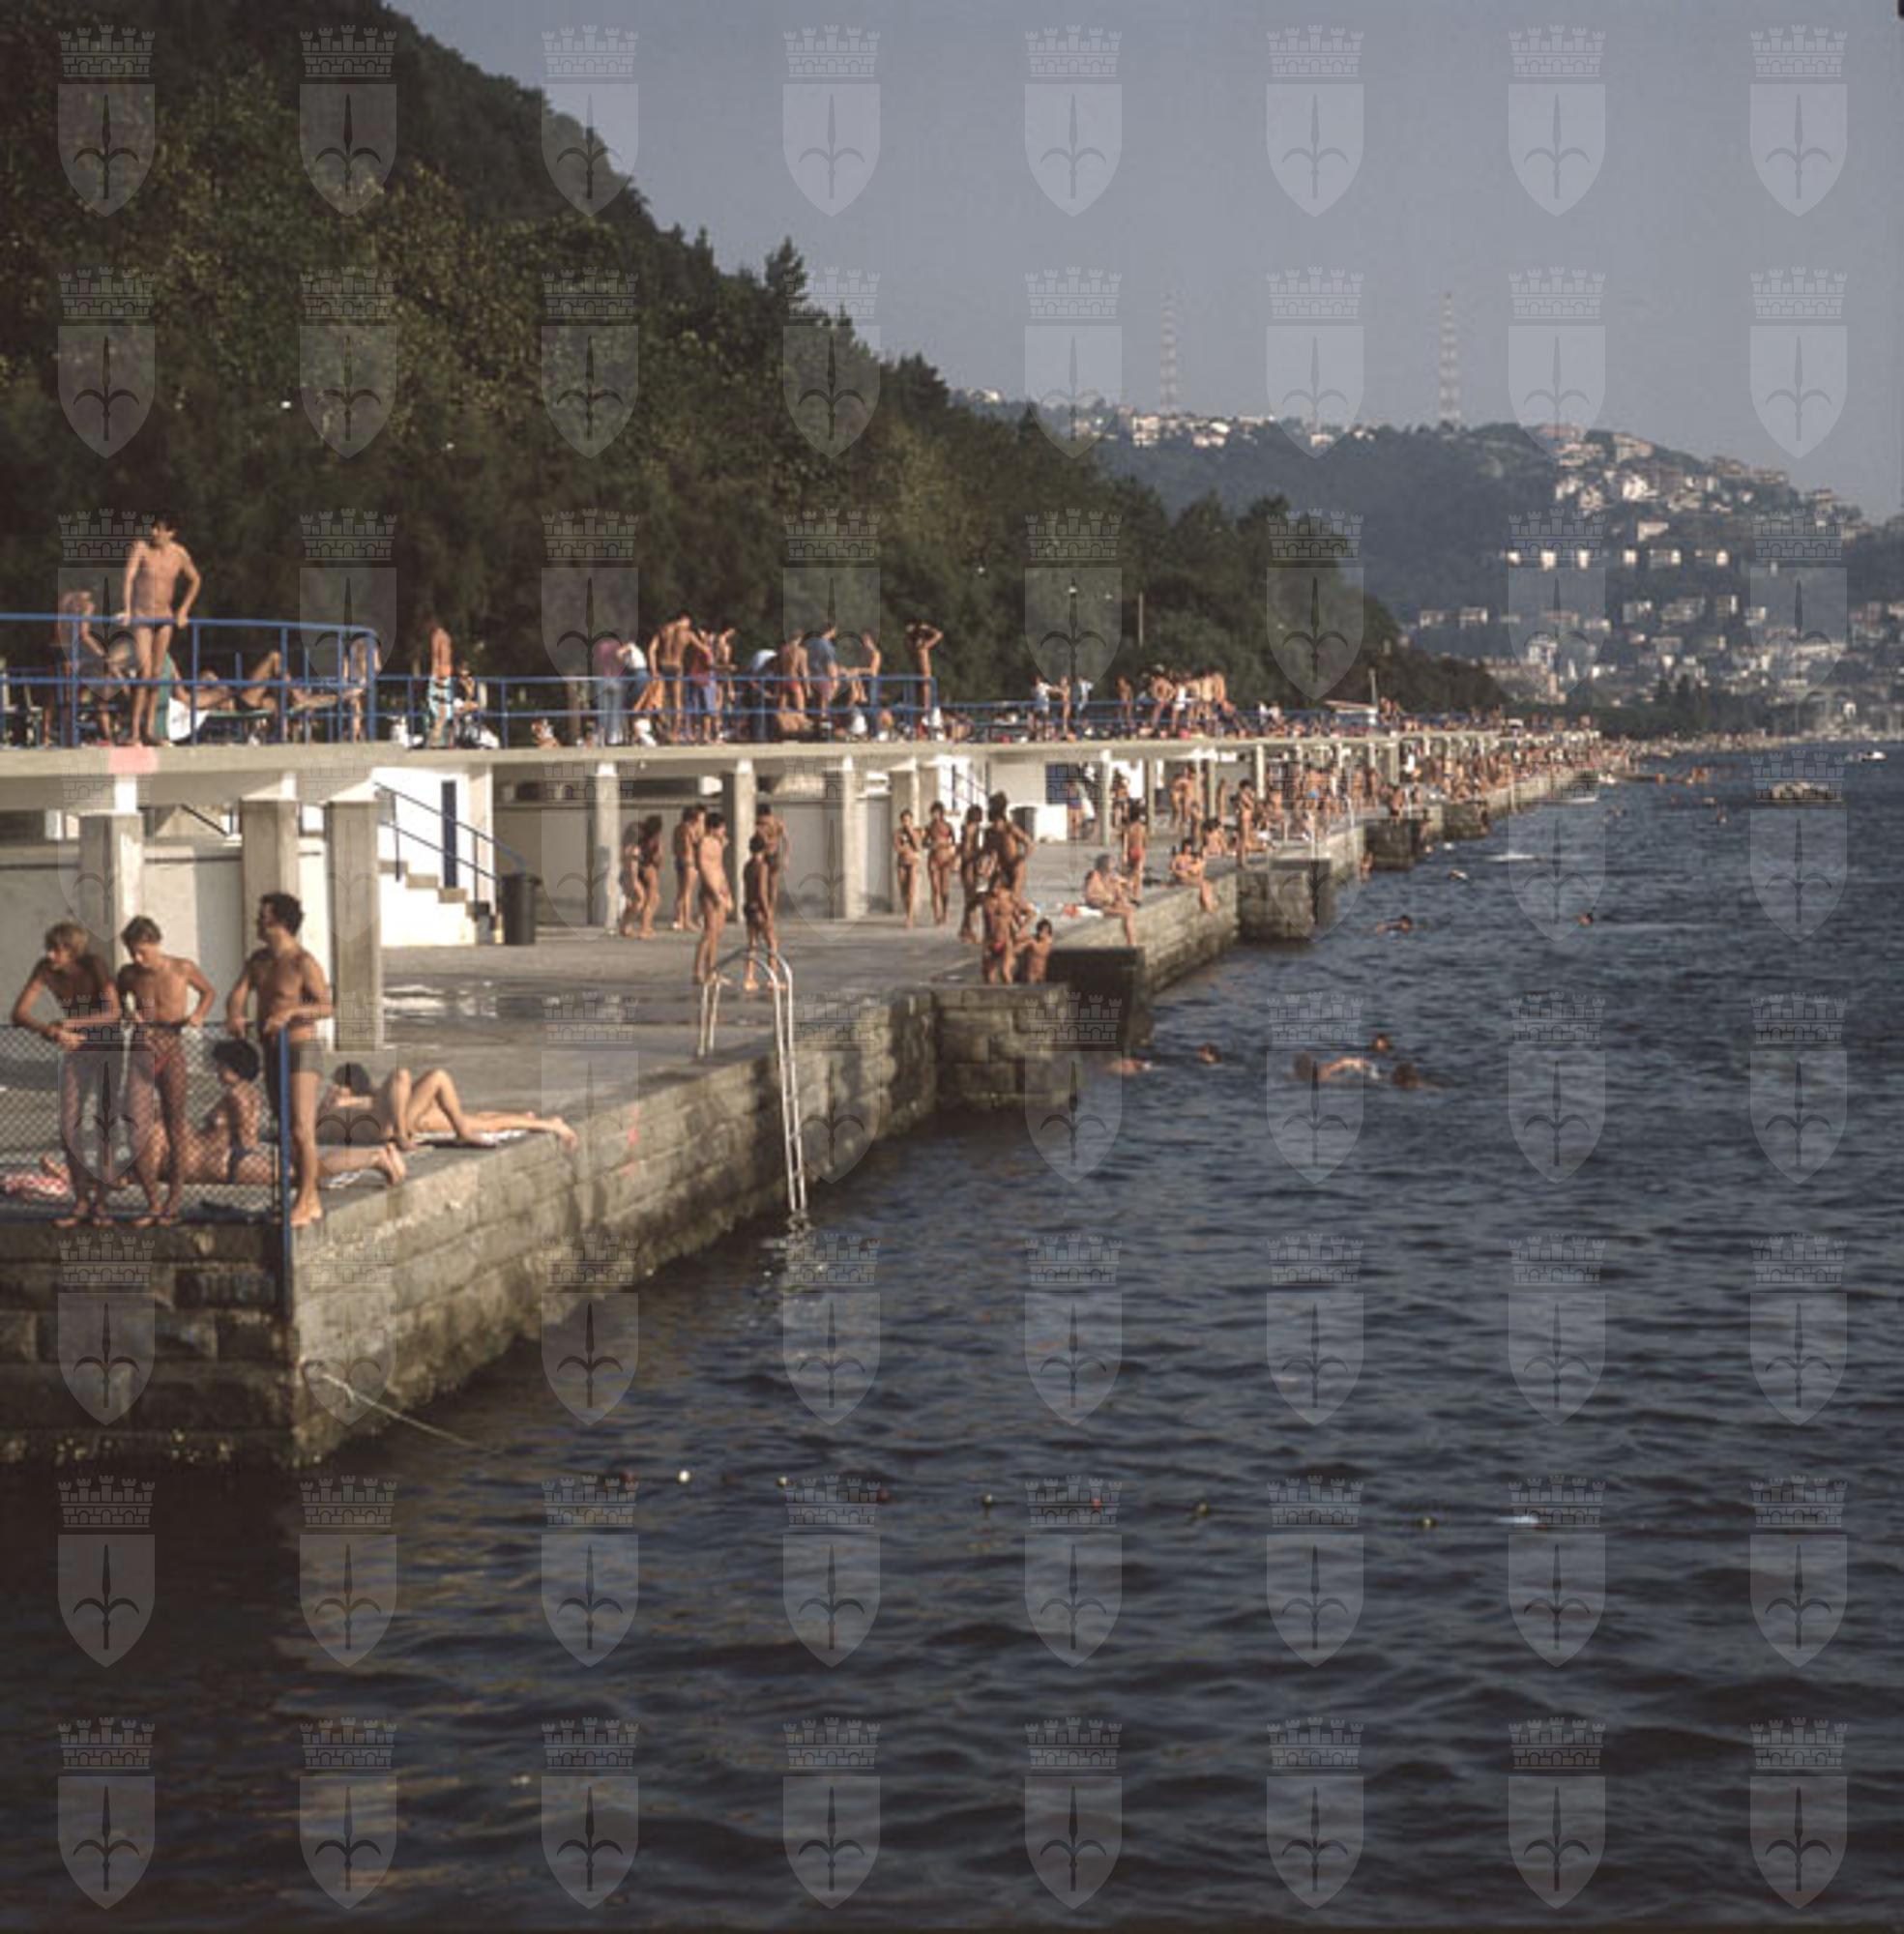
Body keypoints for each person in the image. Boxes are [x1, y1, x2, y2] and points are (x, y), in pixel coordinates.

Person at [225, 892, 332, 1229]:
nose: (256, 923)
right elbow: (238, 993)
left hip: (301, 1048)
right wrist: (235, 1014)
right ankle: (306, 1195)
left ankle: (307, 1198)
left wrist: (291, 1013)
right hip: (272, 1050)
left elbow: (327, 1006)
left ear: (279, 923)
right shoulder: (258, 961)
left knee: (301, 1127)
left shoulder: (302, 962)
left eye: (262, 918)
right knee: (285, 1129)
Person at [12, 921, 122, 1225]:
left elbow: (114, 1012)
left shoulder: (94, 965)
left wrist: (71, 1024)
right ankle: (81, 1200)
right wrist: (51, 1031)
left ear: (72, 951)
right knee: (68, 1124)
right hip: (75, 1047)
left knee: (106, 1125)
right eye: (49, 949)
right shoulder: (44, 969)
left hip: (107, 1044)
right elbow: (19, 1012)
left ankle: (101, 1204)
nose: (50, 955)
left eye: (56, 950)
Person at [115, 916, 215, 1227]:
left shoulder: (181, 968)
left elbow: (208, 992)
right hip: (142, 1046)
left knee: (175, 1124)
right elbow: (116, 999)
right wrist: (128, 1013)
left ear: (156, 944)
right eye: (132, 952)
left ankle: (173, 1200)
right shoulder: (129, 974)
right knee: (136, 1125)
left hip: (172, 1045)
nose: (137, 958)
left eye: (142, 951)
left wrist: (198, 1014)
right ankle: (153, 1202)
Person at [320, 1062, 576, 1151]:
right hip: (396, 1125)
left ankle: (538, 1122)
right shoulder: (329, 1109)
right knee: (483, 1122)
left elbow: (380, 1096)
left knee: (477, 1117)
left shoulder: (364, 1098)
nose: (335, 1090)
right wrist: (342, 1100)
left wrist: (355, 1098)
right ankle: (547, 1124)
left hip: (398, 1121)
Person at [120, 516, 199, 748]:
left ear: (171, 532)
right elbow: (128, 578)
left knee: (156, 674)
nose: (154, 532)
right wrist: (127, 609)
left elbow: (195, 580)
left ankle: (150, 729)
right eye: (153, 528)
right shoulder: (141, 548)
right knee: (144, 672)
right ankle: (134, 731)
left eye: (160, 529)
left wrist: (183, 610)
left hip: (165, 618)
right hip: (143, 616)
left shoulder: (179, 553)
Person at [54, 589, 123, 746]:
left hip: (68, 655)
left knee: (69, 697)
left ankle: (103, 734)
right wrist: (102, 655)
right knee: (77, 696)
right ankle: (109, 733)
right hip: (75, 656)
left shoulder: (65, 602)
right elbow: (83, 634)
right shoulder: (84, 604)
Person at [693, 808, 732, 985]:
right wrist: (715, 893)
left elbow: (719, 869)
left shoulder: (718, 843)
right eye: (722, 827)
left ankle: (712, 971)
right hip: (710, 892)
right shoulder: (704, 843)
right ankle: (698, 972)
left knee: (717, 933)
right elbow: (703, 868)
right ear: (713, 828)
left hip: (720, 890)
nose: (724, 831)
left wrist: (727, 893)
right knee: (709, 932)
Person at [741, 835, 776, 992]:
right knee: (772, 943)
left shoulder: (747, 866)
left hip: (749, 907)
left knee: (752, 944)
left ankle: (749, 977)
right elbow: (762, 892)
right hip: (759, 909)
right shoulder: (762, 867)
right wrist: (768, 912)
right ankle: (772, 979)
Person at [1082, 854, 1138, 945]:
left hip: (1109, 904)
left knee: (1128, 907)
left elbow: (1125, 883)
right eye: (1111, 864)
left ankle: (1131, 941)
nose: (1113, 867)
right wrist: (1105, 898)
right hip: (1098, 906)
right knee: (1128, 914)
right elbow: (1088, 896)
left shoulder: (1111, 877)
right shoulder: (1094, 877)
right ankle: (1131, 943)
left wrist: (1127, 886)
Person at [923, 801, 956, 927]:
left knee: (944, 888)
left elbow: (954, 843)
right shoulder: (929, 827)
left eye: (937, 812)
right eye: (933, 813)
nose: (935, 815)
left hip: (946, 859)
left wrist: (946, 845)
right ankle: (936, 915)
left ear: (941, 813)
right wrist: (931, 845)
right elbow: (923, 843)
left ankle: (945, 911)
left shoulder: (948, 826)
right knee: (935, 887)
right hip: (934, 859)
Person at [671, 805, 705, 931]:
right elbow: (694, 842)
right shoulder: (689, 828)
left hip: (679, 860)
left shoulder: (677, 828)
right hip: (689, 861)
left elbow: (674, 846)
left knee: (680, 891)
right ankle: (687, 920)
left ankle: (679, 919)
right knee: (687, 892)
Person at [424, 620, 454, 748]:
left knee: (440, 709)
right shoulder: (446, 636)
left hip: (440, 675)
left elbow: (436, 657)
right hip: (445, 674)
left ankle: (436, 739)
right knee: (443, 709)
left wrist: (435, 676)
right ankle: (440, 739)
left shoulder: (437, 637)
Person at [981, 875, 1017, 983]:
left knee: (1005, 971)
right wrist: (967, 924)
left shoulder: (1009, 896)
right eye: (992, 886)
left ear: (1003, 887)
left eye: (997, 887)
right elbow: (969, 905)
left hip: (1006, 940)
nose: (994, 890)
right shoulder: (985, 898)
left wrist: (1021, 928)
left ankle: (1010, 992)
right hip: (990, 940)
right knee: (988, 974)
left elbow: (1029, 912)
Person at [755, 801, 791, 912]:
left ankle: (770, 910)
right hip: (767, 855)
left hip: (770, 855)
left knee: (770, 886)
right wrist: (786, 858)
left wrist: (786, 858)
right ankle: (767, 910)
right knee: (766, 886)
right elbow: (786, 841)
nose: (763, 822)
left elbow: (786, 840)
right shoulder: (772, 823)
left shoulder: (774, 824)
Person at [893, 808, 921, 928]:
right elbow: (897, 848)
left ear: (911, 820)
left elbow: (918, 847)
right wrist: (908, 848)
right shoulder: (897, 833)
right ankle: (908, 912)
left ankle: (909, 917)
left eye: (908, 820)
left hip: (913, 863)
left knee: (911, 890)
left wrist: (911, 833)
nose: (906, 823)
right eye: (904, 820)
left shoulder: (916, 831)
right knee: (903, 891)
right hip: (902, 863)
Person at [1018, 916, 1055, 984]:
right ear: (1038, 930)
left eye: (1045, 931)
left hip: (1042, 973)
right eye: (1041, 930)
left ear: (1048, 932)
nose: (1043, 932)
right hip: (1031, 973)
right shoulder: (1032, 941)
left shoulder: (1049, 941)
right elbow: (1019, 945)